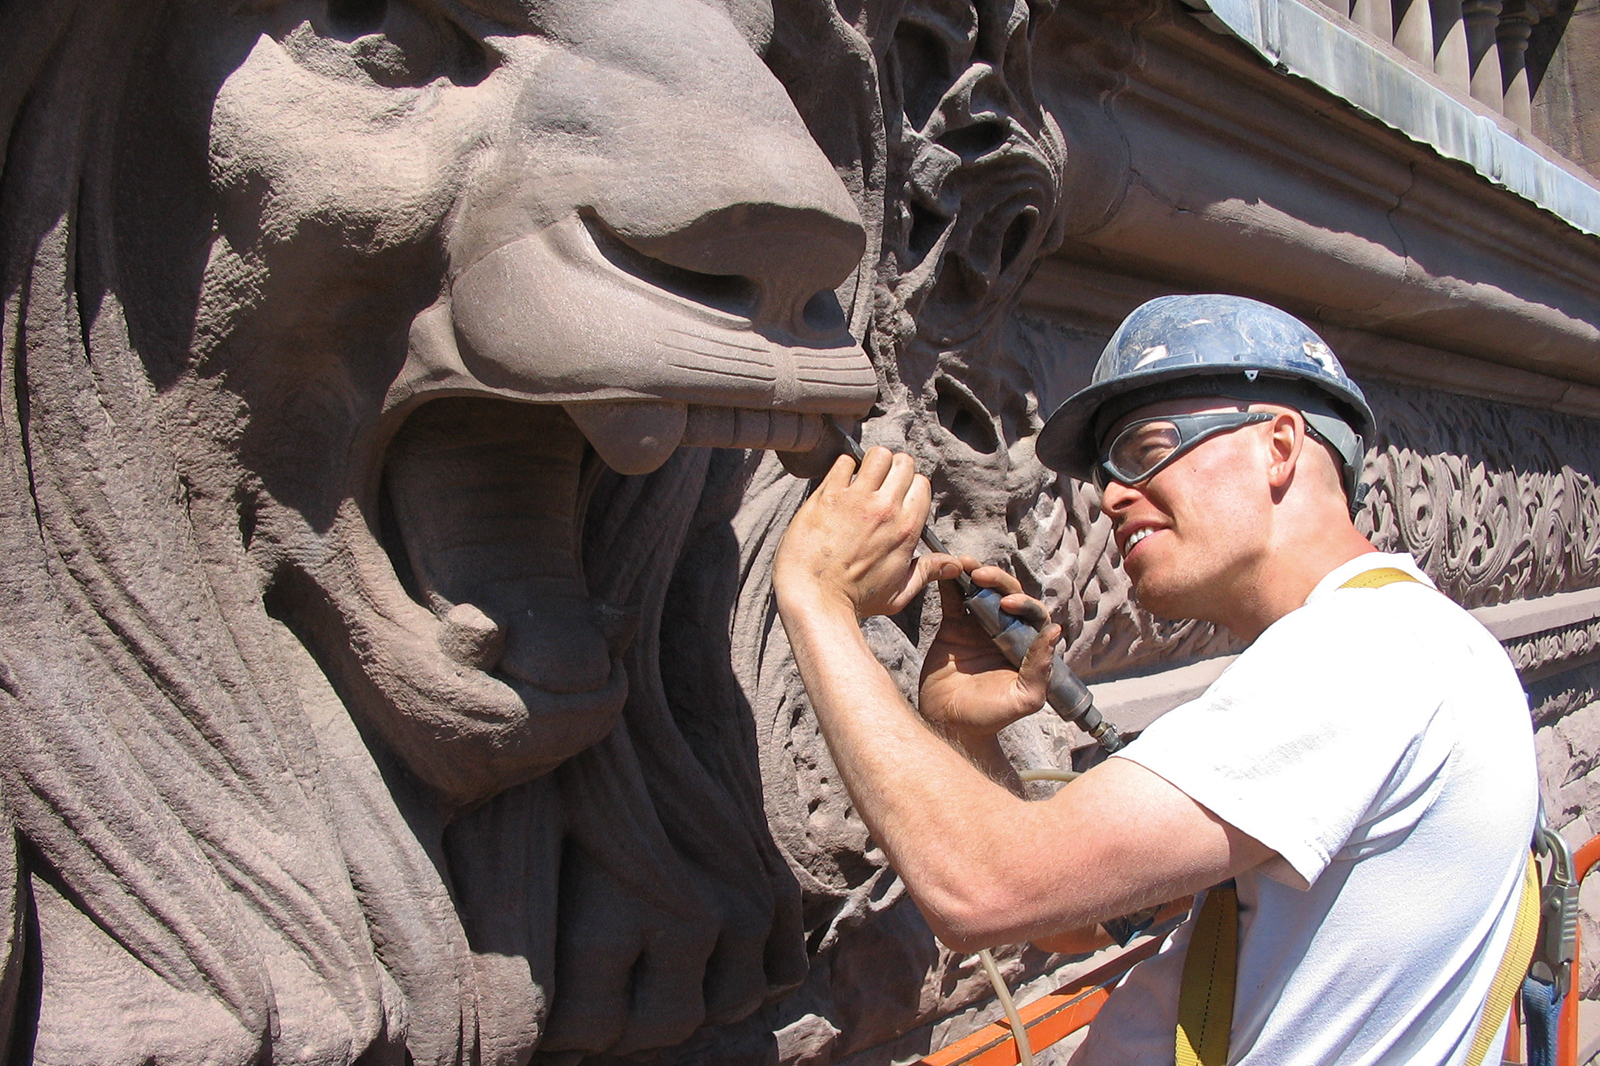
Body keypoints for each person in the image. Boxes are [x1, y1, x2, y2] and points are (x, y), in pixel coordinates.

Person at [771, 294, 1539, 1064]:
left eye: (1146, 448)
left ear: (1279, 445)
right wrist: (966, 732)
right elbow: (1080, 919)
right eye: (1106, 471)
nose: (1108, 496)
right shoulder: (1423, 643)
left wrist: (818, 599)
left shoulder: (1364, 657)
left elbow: (984, 891)